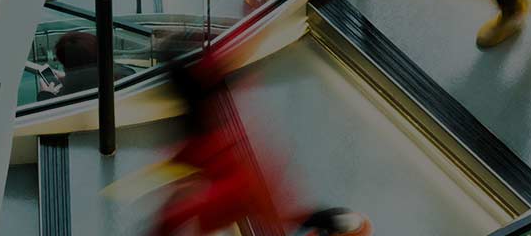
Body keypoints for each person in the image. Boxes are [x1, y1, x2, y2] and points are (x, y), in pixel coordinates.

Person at [146, 56, 371, 236]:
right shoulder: (210, 138)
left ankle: (331, 221)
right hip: (237, 183)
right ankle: (332, 221)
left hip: (237, 186)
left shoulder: (202, 142)